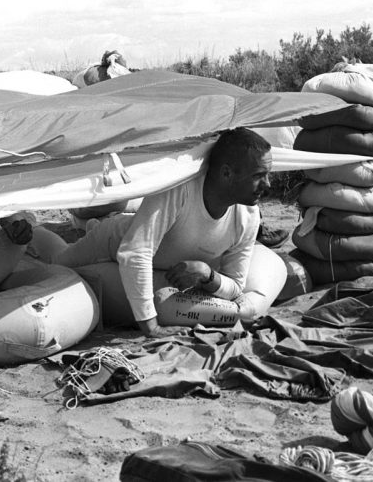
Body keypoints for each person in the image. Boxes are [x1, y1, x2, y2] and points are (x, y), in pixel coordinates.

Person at [36, 127, 273, 337]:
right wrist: (150, 326)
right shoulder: (179, 190)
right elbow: (135, 252)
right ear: (226, 173)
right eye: (259, 176)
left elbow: (236, 286)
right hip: (113, 241)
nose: (268, 184)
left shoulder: (248, 217)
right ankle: (33, 235)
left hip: (160, 264)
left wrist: (207, 274)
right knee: (57, 267)